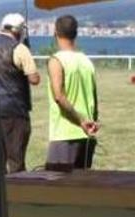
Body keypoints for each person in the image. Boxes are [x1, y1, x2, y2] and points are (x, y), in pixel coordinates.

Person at [0, 13, 41, 174]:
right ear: (18, 30)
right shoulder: (20, 49)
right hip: (14, 111)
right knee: (16, 161)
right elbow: (34, 79)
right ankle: (17, 196)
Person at [45, 15, 101, 172]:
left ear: (55, 32)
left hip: (65, 135)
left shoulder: (56, 61)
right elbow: (94, 98)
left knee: (57, 190)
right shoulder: (86, 61)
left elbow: (59, 96)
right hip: (86, 136)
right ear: (76, 34)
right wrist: (91, 122)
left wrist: (81, 121)